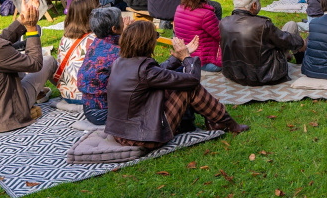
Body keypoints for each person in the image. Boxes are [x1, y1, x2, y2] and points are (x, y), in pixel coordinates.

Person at [106, 21, 248, 149]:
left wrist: (177, 58)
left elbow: (158, 73)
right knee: (189, 87)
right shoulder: (145, 71)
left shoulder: (120, 63)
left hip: (121, 133)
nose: (156, 39)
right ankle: (226, 122)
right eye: (155, 36)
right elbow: (192, 79)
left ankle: (219, 121)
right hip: (142, 138)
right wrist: (186, 58)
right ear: (146, 43)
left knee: (180, 83)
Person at [0, 0, 57, 133]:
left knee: (15, 64)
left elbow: (2, 39)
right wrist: (32, 28)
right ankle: (72, 98)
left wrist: (22, 19)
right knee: (49, 61)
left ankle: (39, 93)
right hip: (8, 114)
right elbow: (35, 64)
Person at [220, 0, 306, 85]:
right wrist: (302, 42)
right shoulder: (262, 25)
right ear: (254, 5)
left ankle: (295, 57)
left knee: (288, 30)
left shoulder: (224, 22)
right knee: (291, 26)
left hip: (233, 75)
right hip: (263, 75)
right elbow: (285, 40)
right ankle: (301, 61)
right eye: (259, 1)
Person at [76, 7, 125, 125]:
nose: (124, 23)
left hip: (88, 108)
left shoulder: (97, 42)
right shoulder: (115, 52)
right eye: (122, 20)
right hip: (102, 112)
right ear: (114, 29)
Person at [53, 0, 99, 104]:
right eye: (99, 8)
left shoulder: (66, 37)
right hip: (87, 97)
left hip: (67, 94)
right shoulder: (95, 40)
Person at [174, 0, 222, 72]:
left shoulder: (179, 8)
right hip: (206, 63)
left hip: (186, 59)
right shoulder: (206, 15)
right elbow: (222, 36)